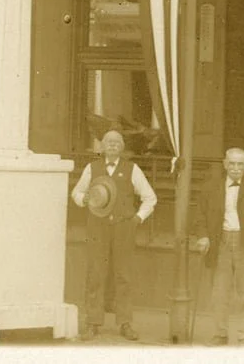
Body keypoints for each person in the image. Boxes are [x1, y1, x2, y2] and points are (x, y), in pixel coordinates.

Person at [69, 128, 157, 340]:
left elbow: (150, 197)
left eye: (117, 142)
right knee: (95, 274)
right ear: (101, 146)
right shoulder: (92, 168)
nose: (112, 145)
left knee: (123, 275)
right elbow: (76, 192)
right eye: (108, 141)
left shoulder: (132, 169)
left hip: (123, 228)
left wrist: (137, 219)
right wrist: (85, 200)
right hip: (97, 228)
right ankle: (92, 322)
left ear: (122, 147)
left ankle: (125, 323)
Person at [192, 146, 244, 345]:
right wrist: (203, 236)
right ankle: (220, 334)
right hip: (220, 243)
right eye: (232, 163)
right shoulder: (210, 187)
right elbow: (200, 215)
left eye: (240, 164)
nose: (236, 168)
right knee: (219, 293)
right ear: (224, 164)